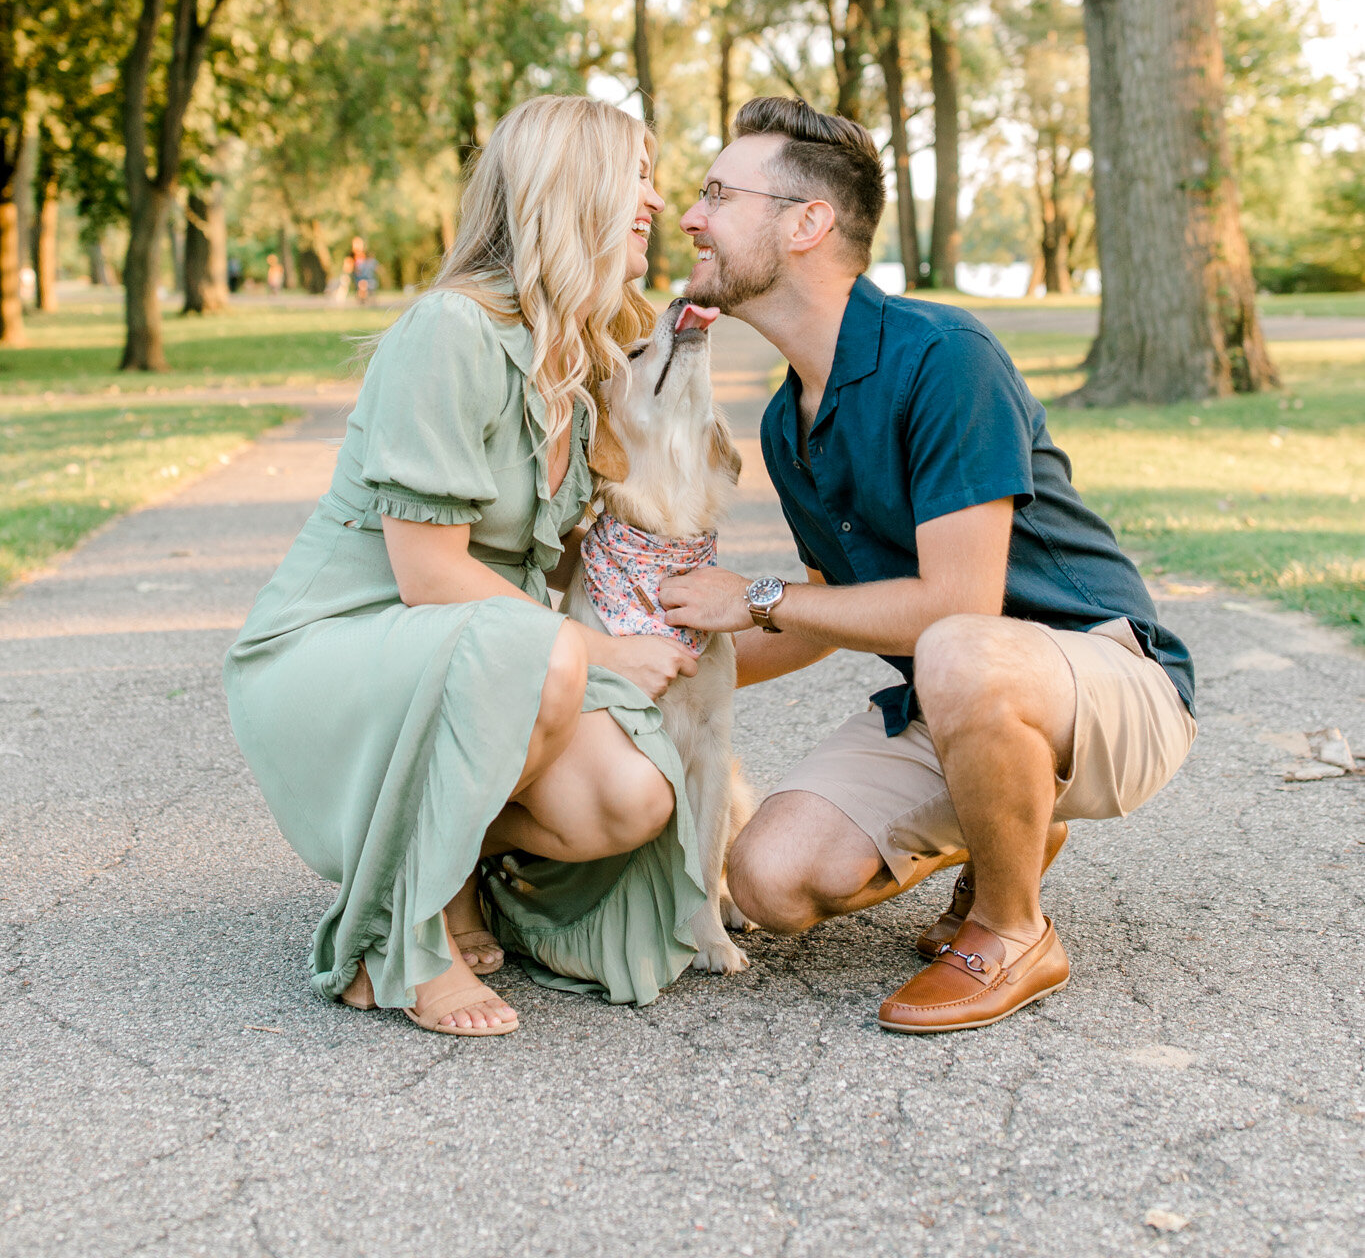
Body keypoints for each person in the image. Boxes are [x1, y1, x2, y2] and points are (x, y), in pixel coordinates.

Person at [659, 96, 1196, 1034]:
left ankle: (1011, 926)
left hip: (1111, 680)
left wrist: (752, 596)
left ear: (805, 223)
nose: (691, 216)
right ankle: (1013, 820)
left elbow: (955, 603)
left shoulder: (943, 357)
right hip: (959, 696)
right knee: (768, 879)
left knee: (954, 645)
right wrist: (645, 669)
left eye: (715, 193)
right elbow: (831, 605)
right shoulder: (791, 423)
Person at [224, 96, 709, 1037]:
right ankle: (398, 935)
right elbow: (428, 575)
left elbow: (572, 566)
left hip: (491, 657)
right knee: (557, 659)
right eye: (637, 175)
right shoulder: (450, 331)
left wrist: (720, 608)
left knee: (632, 798)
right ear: (572, 192)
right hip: (342, 649)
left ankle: (456, 866)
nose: (656, 198)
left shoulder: (586, 354)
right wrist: (601, 658)